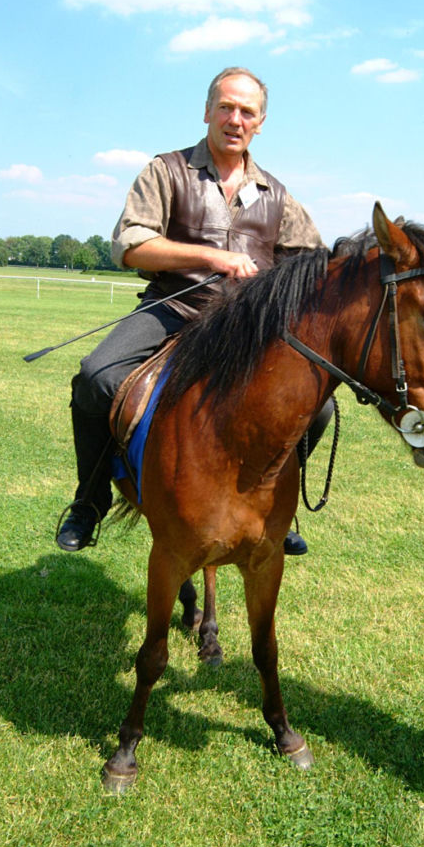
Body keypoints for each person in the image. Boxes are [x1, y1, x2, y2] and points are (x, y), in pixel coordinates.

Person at [56, 66, 331, 556]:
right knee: (95, 377)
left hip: (248, 330)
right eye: (226, 107)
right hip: (172, 307)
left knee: (320, 405)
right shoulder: (166, 170)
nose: (235, 118)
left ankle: (278, 508)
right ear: (207, 112)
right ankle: (89, 501)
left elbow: (312, 264)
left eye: (247, 111)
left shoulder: (278, 196)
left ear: (260, 124)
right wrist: (210, 256)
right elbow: (132, 245)